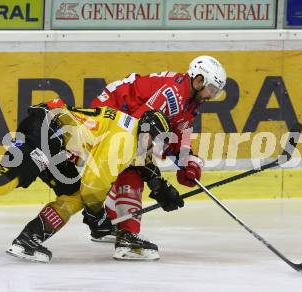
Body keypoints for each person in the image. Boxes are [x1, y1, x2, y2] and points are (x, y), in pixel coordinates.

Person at [0, 100, 183, 262]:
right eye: (155, 141)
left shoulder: (133, 131)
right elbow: (94, 186)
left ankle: (29, 240)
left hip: (54, 138)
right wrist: (97, 215)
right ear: (147, 133)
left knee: (72, 195)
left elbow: (141, 162)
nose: (154, 148)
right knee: (4, 182)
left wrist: (160, 187)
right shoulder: (124, 140)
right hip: (46, 132)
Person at [85, 56, 227, 248]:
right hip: (110, 113)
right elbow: (137, 133)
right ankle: (127, 239)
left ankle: (112, 224)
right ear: (199, 80)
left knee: (134, 161)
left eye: (216, 92)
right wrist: (157, 183)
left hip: (124, 117)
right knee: (133, 167)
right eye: (211, 89)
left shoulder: (190, 101)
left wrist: (188, 163)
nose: (211, 95)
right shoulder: (172, 95)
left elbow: (177, 135)